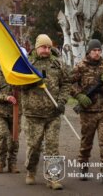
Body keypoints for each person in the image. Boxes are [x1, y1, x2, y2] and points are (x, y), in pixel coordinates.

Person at [21, 34, 71, 190]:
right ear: (37, 47)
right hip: (33, 114)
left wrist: (62, 101)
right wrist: (30, 83)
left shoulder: (58, 64)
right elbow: (17, 85)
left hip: (53, 114)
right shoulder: (27, 64)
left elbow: (66, 83)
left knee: (52, 147)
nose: (47, 50)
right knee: (34, 146)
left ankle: (53, 177)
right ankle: (30, 171)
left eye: (49, 47)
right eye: (44, 47)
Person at [71, 39, 103, 185]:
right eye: (94, 51)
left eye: (99, 50)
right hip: (88, 112)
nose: (97, 53)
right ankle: (83, 167)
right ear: (89, 51)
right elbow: (69, 83)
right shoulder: (80, 67)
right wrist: (79, 95)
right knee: (86, 142)